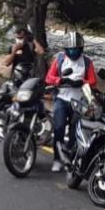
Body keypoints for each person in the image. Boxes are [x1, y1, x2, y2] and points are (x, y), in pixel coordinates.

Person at [43, 31, 97, 172]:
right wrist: (61, 80)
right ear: (66, 49)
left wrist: (82, 82)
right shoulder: (60, 59)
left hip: (78, 101)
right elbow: (49, 78)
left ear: (81, 48)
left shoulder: (87, 62)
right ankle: (57, 159)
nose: (73, 52)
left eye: (76, 49)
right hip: (61, 98)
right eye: (70, 49)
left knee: (74, 132)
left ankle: (70, 159)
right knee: (59, 128)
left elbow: (93, 81)